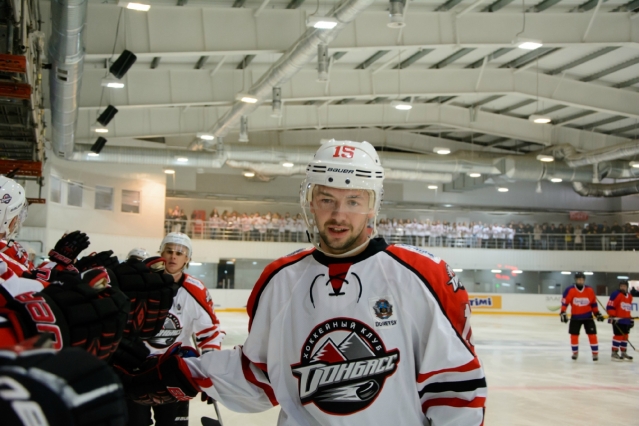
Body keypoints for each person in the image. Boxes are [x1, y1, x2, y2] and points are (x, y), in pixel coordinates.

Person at [124, 140, 486, 425]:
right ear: (310, 201)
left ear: (373, 205)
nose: (339, 215)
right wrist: (184, 372)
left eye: (354, 201)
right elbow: (261, 376)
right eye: (327, 199)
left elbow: (455, 391)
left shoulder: (424, 277)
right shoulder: (281, 280)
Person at [126, 232, 225, 426]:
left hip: (173, 370)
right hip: (137, 369)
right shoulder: (141, 283)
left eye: (179, 253)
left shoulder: (195, 290)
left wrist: (209, 370)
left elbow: (210, 333)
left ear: (187, 258)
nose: (173, 257)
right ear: (161, 253)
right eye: (169, 251)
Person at [560, 272, 605, 361]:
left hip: (588, 316)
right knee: (574, 336)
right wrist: (563, 312)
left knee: (592, 335)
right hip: (575, 317)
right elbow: (565, 302)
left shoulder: (589, 290)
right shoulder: (570, 290)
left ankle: (595, 354)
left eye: (582, 279)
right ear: (575, 280)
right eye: (579, 279)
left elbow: (593, 303)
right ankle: (575, 353)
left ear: (584, 280)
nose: (580, 281)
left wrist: (597, 313)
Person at [606, 280, 634, 361]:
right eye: (621, 286)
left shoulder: (630, 296)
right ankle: (614, 352)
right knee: (618, 336)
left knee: (625, 336)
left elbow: (627, 309)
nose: (622, 287)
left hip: (626, 320)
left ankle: (623, 352)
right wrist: (613, 316)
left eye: (624, 286)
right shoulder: (615, 294)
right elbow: (610, 307)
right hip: (617, 319)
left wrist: (630, 319)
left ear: (627, 287)